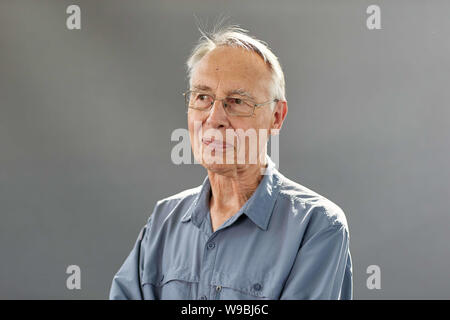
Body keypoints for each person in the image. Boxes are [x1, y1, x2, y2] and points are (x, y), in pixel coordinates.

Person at [109, 25, 352, 300]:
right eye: (202, 97)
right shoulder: (164, 222)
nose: (214, 118)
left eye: (236, 101)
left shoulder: (316, 227)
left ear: (276, 117)